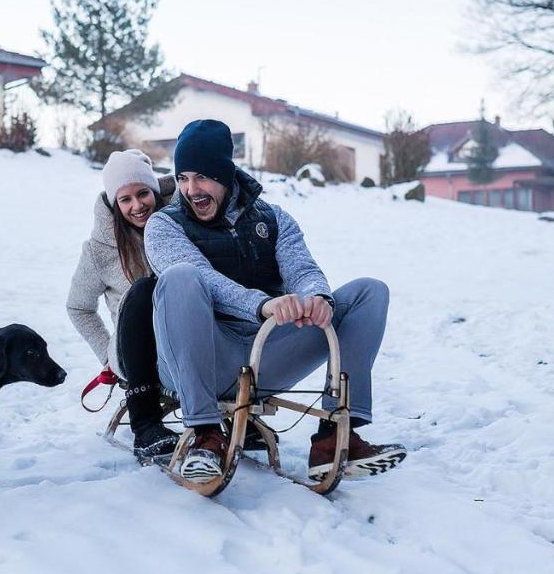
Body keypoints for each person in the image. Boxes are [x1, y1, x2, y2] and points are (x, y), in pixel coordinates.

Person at [144, 119, 406, 482]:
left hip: (263, 354)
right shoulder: (164, 225)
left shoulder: (273, 218)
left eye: (201, 177)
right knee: (180, 278)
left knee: (369, 292)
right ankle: (206, 436)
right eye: (184, 178)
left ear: (225, 174)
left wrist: (316, 297)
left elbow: (302, 267)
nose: (191, 189)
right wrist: (261, 304)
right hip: (199, 360)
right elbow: (202, 277)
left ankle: (334, 438)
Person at [67, 149, 179, 459]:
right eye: (125, 199)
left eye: (143, 193)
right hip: (134, 347)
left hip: (182, 335)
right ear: (115, 203)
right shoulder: (99, 250)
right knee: (144, 291)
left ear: (154, 190)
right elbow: (79, 307)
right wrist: (107, 352)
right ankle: (145, 425)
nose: (136, 205)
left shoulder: (179, 223)